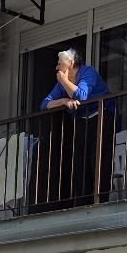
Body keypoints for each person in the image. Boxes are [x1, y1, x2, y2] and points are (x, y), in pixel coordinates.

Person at [33, 49, 116, 210]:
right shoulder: (60, 84)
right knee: (80, 162)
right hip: (81, 121)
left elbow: (82, 96)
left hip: (102, 116)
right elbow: (44, 104)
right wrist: (63, 100)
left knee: (98, 159)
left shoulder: (87, 72)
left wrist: (64, 82)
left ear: (71, 63)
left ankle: (101, 200)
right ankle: (84, 202)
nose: (57, 68)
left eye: (60, 64)